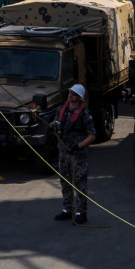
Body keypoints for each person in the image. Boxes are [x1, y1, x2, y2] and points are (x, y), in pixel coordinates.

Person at [50, 84, 96, 224]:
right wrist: (53, 126)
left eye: (74, 94)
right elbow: (57, 122)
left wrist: (79, 146)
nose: (71, 95)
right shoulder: (61, 109)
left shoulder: (84, 114)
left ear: (80, 98)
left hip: (78, 155)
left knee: (79, 183)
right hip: (63, 154)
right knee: (65, 182)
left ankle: (81, 212)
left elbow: (92, 135)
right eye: (70, 92)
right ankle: (67, 209)